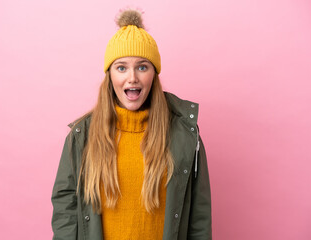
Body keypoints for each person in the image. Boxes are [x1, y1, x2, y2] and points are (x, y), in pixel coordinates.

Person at [51, 9, 212, 240]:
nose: (132, 77)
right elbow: (65, 208)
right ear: (110, 75)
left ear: (154, 75)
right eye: (122, 67)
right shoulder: (82, 136)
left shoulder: (184, 135)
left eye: (142, 67)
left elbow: (199, 217)